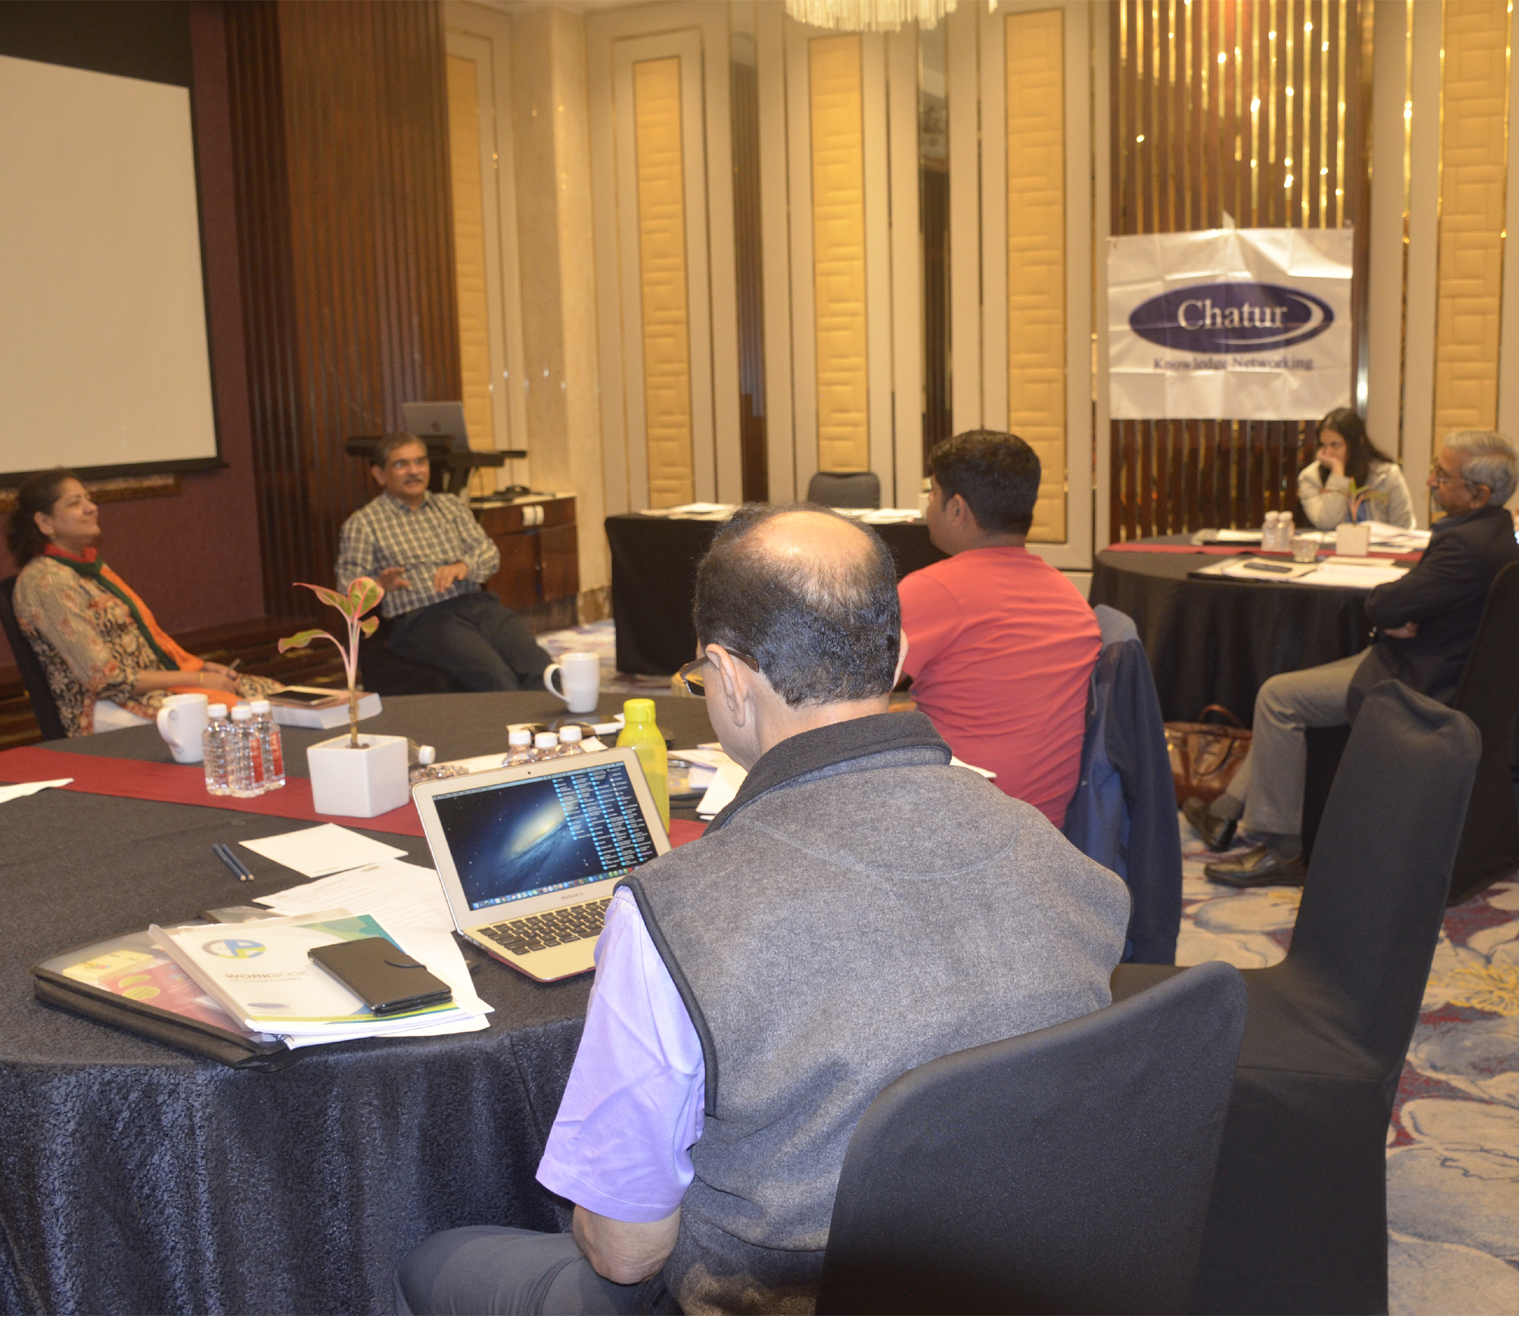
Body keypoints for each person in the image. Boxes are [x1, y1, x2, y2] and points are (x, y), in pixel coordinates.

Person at [395, 504, 1129, 1315]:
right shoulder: (1054, 853)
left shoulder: (673, 910)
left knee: (435, 1260)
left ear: (729, 677)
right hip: (1030, 1271)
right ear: (898, 658)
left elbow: (627, 1251)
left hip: (774, 1300)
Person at [1200, 431, 1519, 887]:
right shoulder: (1494, 534)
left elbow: (1384, 605)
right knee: (1294, 687)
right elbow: (1406, 605)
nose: (1430, 481)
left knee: (1278, 697)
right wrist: (1402, 613)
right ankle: (1225, 810)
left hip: (1418, 678)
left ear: (1479, 493)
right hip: (1428, 660)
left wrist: (1395, 613)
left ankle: (1282, 849)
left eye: (1442, 475)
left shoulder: (1465, 546)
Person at [897, 430, 1102, 827]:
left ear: (957, 509)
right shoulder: (1068, 594)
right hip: (1045, 826)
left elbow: (845, 697)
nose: (928, 507)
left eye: (933, 494)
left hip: (959, 821)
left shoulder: (933, 589)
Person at [7, 469, 276, 736]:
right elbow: (104, 679)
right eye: (74, 503)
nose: (91, 508)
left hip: (147, 689)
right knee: (241, 717)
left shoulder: (87, 567)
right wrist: (199, 679)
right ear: (45, 522)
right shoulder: (48, 582)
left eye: (88, 499)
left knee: (275, 696)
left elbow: (142, 641)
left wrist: (200, 667)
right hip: (101, 706)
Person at [334, 432, 551, 691]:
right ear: (380, 474)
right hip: (423, 619)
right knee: (496, 678)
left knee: (540, 668)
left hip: (478, 605)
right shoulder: (363, 523)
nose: (414, 471)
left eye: (420, 462)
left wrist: (464, 566)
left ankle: (552, 718)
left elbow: (488, 552)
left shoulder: (450, 506)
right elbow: (346, 588)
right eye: (401, 464)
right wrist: (378, 585)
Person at [1296, 407, 1417, 530]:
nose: (1328, 453)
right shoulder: (1310, 477)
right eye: (1324, 445)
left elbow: (1404, 528)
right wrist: (1337, 474)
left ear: (1357, 442)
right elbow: (1327, 523)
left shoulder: (1386, 475)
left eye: (1335, 445)